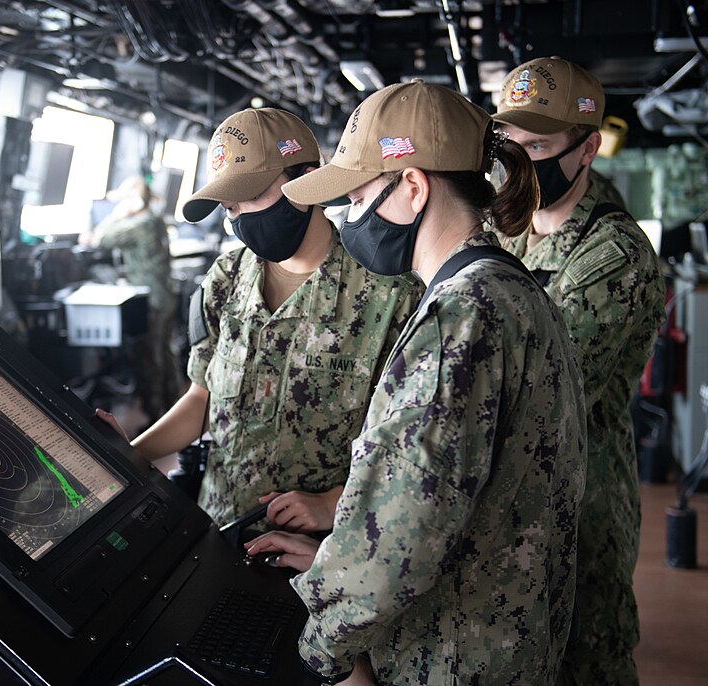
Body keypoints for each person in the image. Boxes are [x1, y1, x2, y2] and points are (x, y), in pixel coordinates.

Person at [244, 81, 587, 684]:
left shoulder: (460, 317)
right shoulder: (513, 288)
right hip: (507, 642)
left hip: (450, 658)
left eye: (354, 199)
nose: (348, 221)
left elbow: (401, 541)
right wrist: (337, 556)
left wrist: (322, 642)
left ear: (412, 187)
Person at [98, 107, 423, 530]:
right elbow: (203, 398)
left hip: (325, 544)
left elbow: (410, 445)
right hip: (221, 525)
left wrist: (336, 500)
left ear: (306, 180)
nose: (242, 220)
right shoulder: (226, 279)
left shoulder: (389, 293)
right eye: (231, 208)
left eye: (252, 198)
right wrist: (127, 456)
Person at [491, 56, 666, 686]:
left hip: (576, 512)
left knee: (587, 663)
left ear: (587, 147)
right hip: (503, 507)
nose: (518, 159)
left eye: (536, 144)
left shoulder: (612, 257)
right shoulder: (508, 233)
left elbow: (529, 396)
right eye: (508, 142)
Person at [85, 174, 182, 424]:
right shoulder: (155, 219)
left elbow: (99, 240)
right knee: (165, 352)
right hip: (165, 295)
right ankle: (172, 407)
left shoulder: (138, 224)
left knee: (149, 357)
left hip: (150, 300)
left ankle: (156, 417)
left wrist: (117, 215)